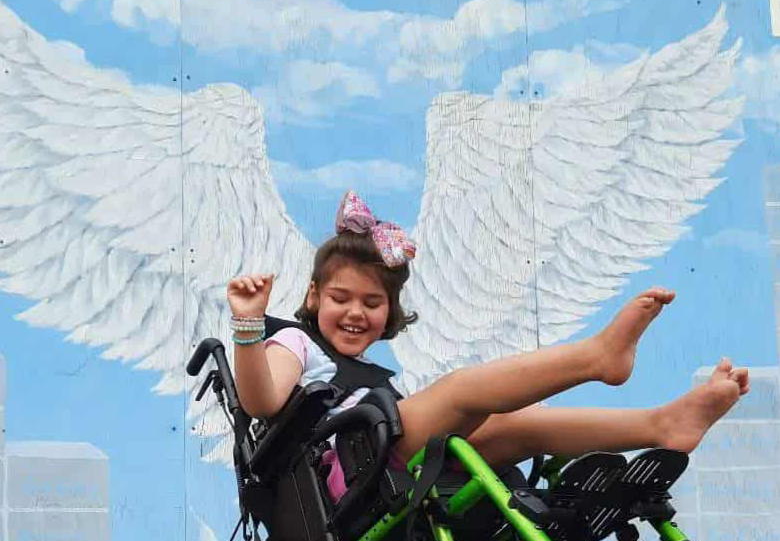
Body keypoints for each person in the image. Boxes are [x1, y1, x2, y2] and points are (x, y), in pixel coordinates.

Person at [227, 190, 749, 503]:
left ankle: (661, 425)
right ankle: (597, 357)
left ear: (390, 311)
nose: (357, 312)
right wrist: (250, 328)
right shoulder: (295, 339)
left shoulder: (370, 376)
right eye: (341, 298)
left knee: (517, 425)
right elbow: (262, 400)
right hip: (344, 473)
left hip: (385, 466)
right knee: (461, 392)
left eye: (373, 301)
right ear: (314, 295)